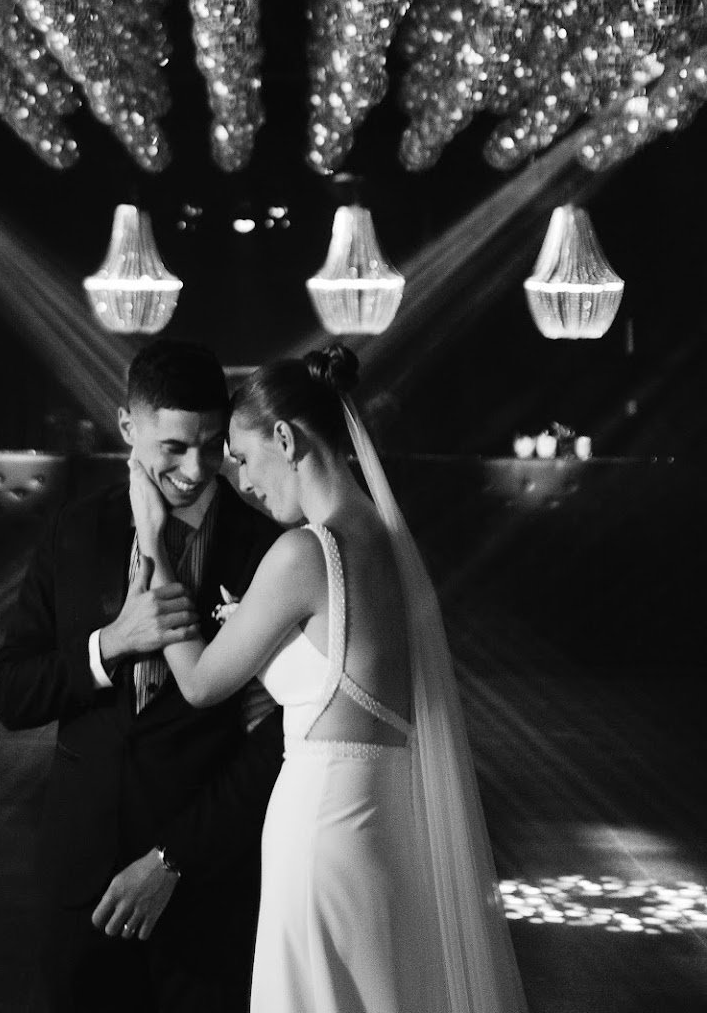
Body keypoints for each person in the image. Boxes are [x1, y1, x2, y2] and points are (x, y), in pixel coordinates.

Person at [130, 343, 529, 1013]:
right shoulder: (388, 543)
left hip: (319, 830)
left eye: (242, 456)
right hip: (385, 825)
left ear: (286, 439)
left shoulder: (304, 553)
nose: (242, 480)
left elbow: (199, 684)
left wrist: (153, 544)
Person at [0, 339, 284, 1013]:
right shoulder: (74, 532)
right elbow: (9, 693)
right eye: (174, 448)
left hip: (205, 888)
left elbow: (277, 741)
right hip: (80, 879)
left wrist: (173, 858)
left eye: (211, 446)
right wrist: (112, 643)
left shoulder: (265, 547)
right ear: (127, 427)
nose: (196, 469)